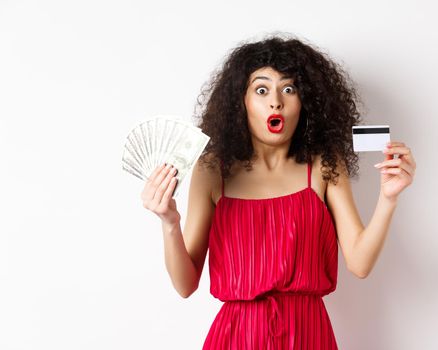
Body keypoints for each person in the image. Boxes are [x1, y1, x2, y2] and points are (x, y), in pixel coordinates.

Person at [140, 34, 416, 349]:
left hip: (308, 336)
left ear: (306, 101)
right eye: (261, 90)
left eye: (289, 88)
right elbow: (185, 285)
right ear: (240, 102)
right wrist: (169, 222)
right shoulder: (213, 170)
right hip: (237, 337)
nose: (276, 101)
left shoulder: (324, 165)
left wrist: (389, 198)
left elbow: (360, 263)